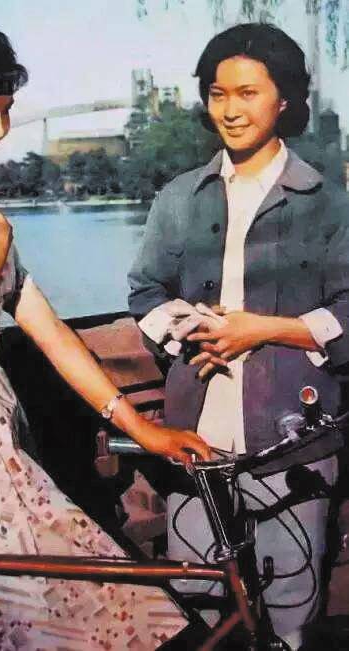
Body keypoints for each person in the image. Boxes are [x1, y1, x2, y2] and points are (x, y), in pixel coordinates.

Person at [0, 27, 211, 650]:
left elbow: (49, 332)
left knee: (122, 607)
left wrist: (142, 429)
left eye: (5, 113)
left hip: (3, 440)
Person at [128, 22, 349, 650]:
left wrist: (265, 330)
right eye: (218, 93)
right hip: (195, 441)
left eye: (248, 93)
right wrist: (188, 329)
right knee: (198, 607)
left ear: (285, 99)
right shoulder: (178, 198)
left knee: (291, 613)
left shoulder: (329, 203)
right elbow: (144, 292)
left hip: (293, 442)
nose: (230, 109)